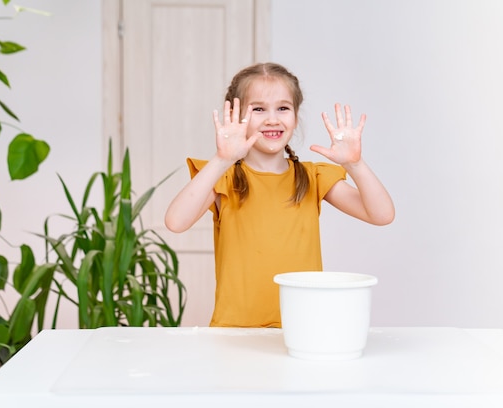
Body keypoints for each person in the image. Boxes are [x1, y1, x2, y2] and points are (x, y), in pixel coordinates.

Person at [165, 62, 394, 328]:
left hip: (302, 328)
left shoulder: (313, 177)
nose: (272, 119)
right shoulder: (223, 178)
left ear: (296, 116)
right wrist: (221, 159)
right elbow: (176, 221)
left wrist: (355, 165)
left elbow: (382, 215)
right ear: (238, 117)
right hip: (235, 333)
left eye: (283, 108)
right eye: (259, 109)